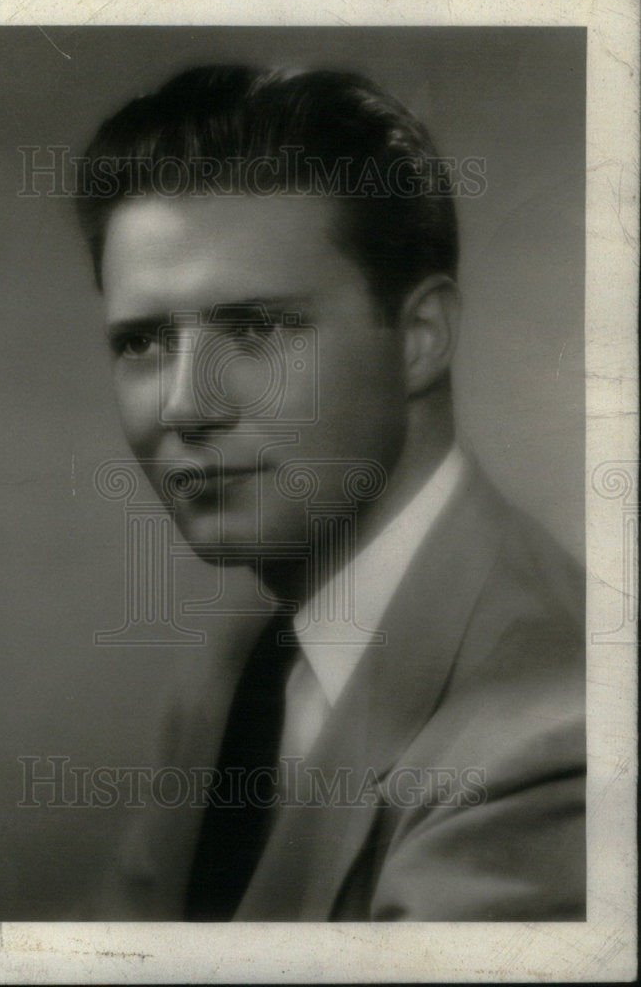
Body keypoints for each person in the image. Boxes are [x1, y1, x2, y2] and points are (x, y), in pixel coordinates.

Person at [76, 66, 585, 921]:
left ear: (419, 340)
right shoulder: (243, 660)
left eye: (258, 328)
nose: (186, 405)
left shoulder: (549, 741)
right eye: (143, 341)